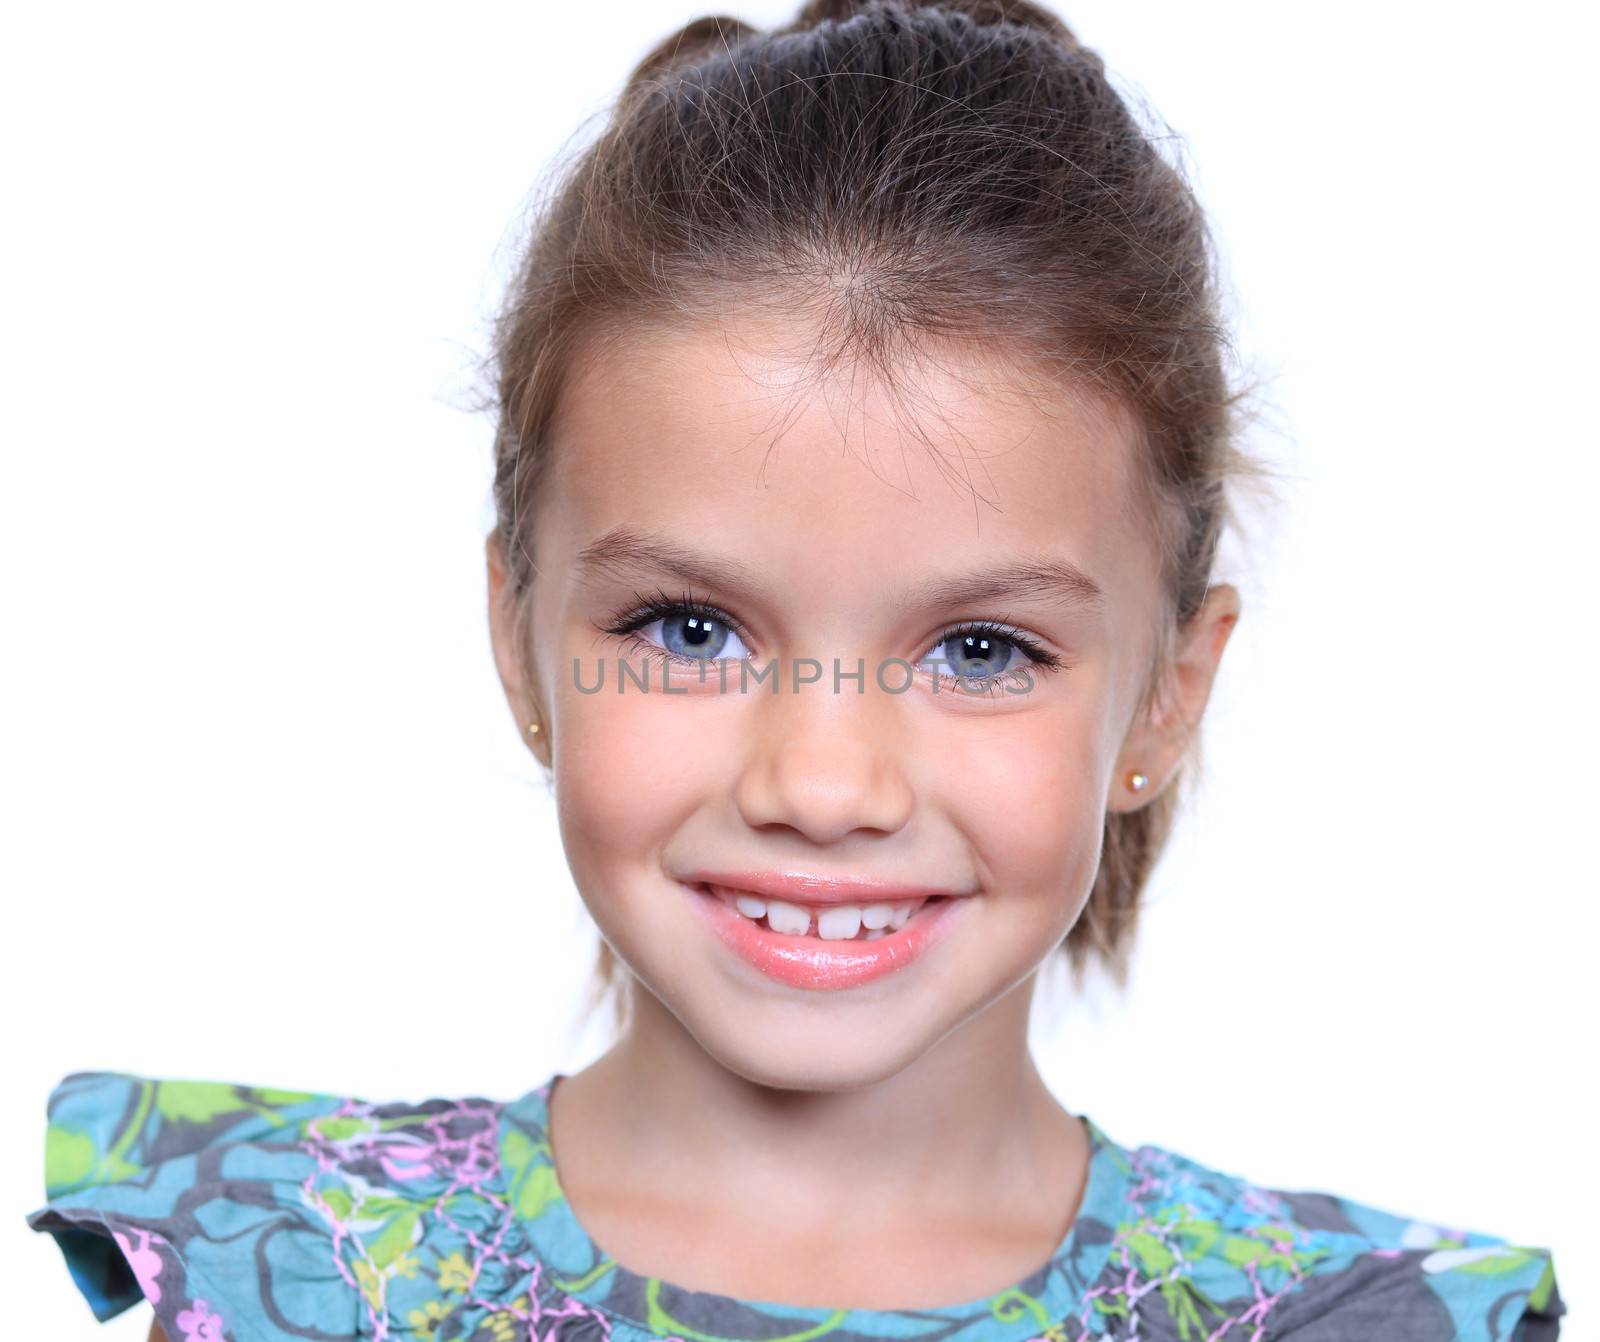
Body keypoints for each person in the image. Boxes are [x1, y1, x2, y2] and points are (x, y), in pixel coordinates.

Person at [26, 1, 1565, 1338]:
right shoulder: (292, 1267)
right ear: (519, 640)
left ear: (1167, 691)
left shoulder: (1348, 1320)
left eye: (980, 649)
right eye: (689, 629)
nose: (823, 785)